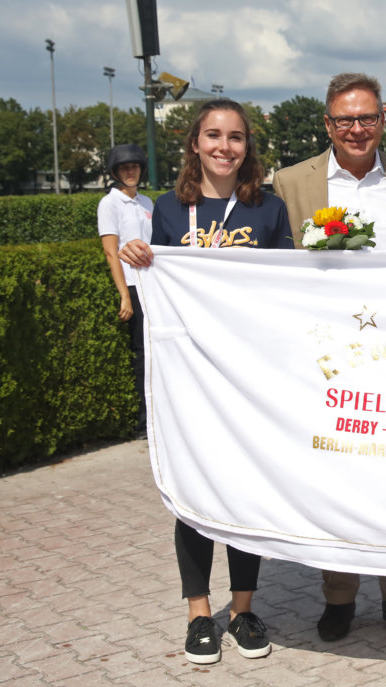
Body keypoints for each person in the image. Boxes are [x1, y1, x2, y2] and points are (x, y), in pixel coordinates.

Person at [119, 99, 293, 665]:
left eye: (236, 137)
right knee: (193, 496)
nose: (225, 147)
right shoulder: (169, 210)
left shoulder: (268, 209)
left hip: (248, 378)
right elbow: (157, 286)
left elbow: (289, 287)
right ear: (195, 143)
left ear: (248, 147)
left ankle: (243, 611)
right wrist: (138, 257)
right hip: (190, 379)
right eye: (213, 136)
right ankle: (199, 613)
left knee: (244, 494)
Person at [272, 73, 386, 642]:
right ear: (328, 124)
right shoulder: (290, 183)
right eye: (345, 120)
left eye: (367, 119)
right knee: (335, 477)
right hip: (328, 358)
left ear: (383, 120)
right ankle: (338, 595)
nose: (356, 129)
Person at [96, 143, 153, 437]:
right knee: (142, 353)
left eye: (134, 167)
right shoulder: (110, 204)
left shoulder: (146, 202)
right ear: (116, 172)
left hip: (152, 284)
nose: (130, 172)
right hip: (132, 285)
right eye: (124, 168)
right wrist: (123, 295)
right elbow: (111, 251)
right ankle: (144, 420)